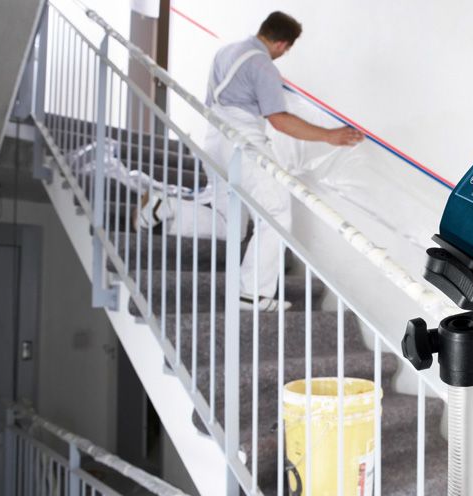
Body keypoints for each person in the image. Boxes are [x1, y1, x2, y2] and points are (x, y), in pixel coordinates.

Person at [139, 11, 363, 311]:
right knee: (276, 212)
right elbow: (280, 120)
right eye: (286, 50)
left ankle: (164, 206)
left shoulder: (226, 52)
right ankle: (252, 291)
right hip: (241, 145)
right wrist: (330, 136)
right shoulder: (262, 65)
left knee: (227, 222)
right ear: (283, 44)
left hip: (214, 141)